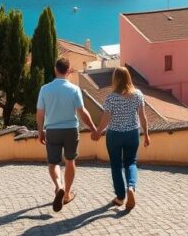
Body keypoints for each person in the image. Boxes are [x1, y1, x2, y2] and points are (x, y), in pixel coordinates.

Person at [36, 57, 98, 213]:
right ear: (69, 70)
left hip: (52, 130)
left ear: (55, 70)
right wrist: (93, 128)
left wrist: (40, 131)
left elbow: (40, 113)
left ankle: (59, 187)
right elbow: (82, 112)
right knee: (70, 161)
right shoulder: (74, 89)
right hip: (71, 129)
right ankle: (67, 194)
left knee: (53, 163)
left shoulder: (45, 89)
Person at [91, 67, 150, 211]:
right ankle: (131, 186)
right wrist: (147, 134)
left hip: (114, 135)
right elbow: (143, 116)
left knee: (116, 166)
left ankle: (120, 197)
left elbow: (106, 119)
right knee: (131, 162)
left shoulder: (111, 98)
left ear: (115, 79)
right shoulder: (138, 95)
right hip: (132, 134)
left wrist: (98, 132)